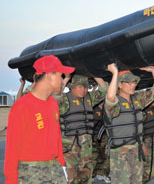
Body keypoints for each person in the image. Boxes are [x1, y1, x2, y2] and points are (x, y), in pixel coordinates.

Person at [4, 55, 75, 184]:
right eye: (61, 75)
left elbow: (56, 137)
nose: (62, 80)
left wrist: (62, 165)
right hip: (31, 172)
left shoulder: (53, 103)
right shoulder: (22, 106)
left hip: (54, 169)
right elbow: (12, 148)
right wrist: (11, 180)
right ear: (49, 75)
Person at [103, 64, 154, 184]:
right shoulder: (114, 104)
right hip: (120, 152)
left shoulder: (137, 100)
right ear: (120, 85)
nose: (133, 85)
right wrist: (115, 73)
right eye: (129, 82)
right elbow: (110, 96)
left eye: (134, 82)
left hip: (136, 150)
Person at [55, 74, 107, 184]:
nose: (83, 90)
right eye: (79, 86)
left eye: (85, 87)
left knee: (86, 175)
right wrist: (67, 77)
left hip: (86, 145)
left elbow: (104, 89)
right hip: (70, 146)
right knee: (71, 177)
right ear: (71, 86)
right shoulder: (64, 99)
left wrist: (94, 73)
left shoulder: (89, 98)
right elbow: (56, 93)